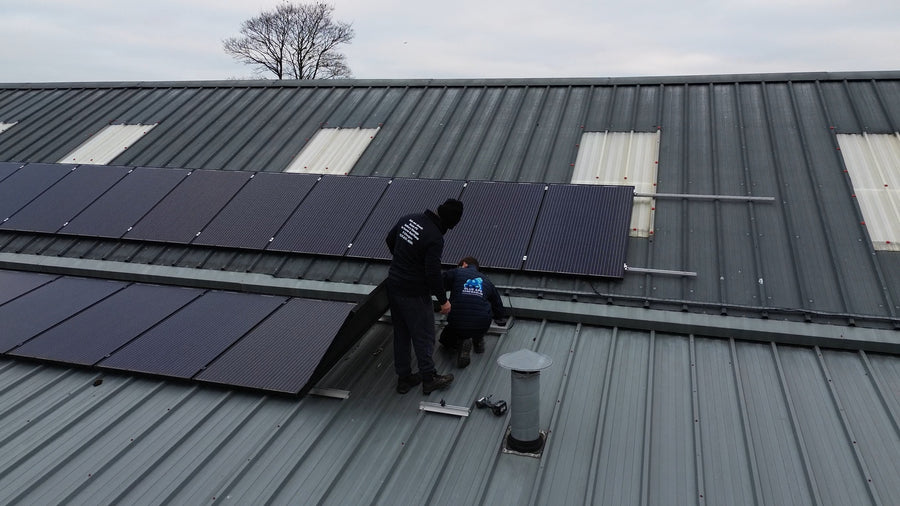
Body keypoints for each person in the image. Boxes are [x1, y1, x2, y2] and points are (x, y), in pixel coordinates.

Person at [385, 198, 464, 394]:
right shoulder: (435, 237)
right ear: (449, 222)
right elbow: (432, 272)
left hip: (394, 285)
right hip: (414, 293)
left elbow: (389, 239)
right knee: (424, 335)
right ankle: (429, 378)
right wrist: (443, 300)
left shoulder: (408, 219)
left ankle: (404, 379)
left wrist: (404, 262)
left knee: (401, 333)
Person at [439, 256, 508, 368]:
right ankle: (478, 339)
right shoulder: (486, 281)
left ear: (464, 264)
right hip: (482, 324)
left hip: (458, 322)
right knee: (479, 314)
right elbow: (498, 305)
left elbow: (438, 283)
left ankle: (462, 341)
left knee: (445, 340)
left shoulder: (457, 272)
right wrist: (500, 318)